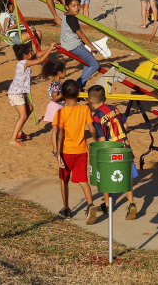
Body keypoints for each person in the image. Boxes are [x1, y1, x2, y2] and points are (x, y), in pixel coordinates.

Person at [88, 85, 138, 220]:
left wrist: (97, 143)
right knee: (127, 177)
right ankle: (131, 203)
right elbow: (125, 125)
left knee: (105, 176)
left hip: (111, 150)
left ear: (90, 101)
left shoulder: (97, 117)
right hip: (125, 147)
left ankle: (107, 205)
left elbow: (102, 139)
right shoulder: (114, 108)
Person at [53, 79, 99, 224]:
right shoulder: (85, 109)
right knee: (83, 180)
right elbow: (91, 129)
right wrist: (95, 141)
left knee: (63, 180)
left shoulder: (61, 113)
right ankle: (90, 204)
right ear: (79, 92)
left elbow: (59, 133)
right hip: (81, 151)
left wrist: (58, 153)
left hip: (66, 152)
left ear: (63, 95)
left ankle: (66, 208)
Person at [8, 41, 57, 146]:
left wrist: (50, 48)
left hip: (21, 92)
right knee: (23, 115)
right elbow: (41, 60)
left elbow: (39, 55)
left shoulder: (26, 60)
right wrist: (50, 49)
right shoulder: (24, 63)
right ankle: (13, 139)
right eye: (30, 52)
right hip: (16, 93)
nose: (33, 53)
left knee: (30, 109)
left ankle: (20, 131)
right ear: (25, 56)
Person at [60, 0, 102, 90]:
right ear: (66, 7)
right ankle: (78, 84)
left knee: (88, 62)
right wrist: (92, 47)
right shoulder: (72, 19)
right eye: (73, 6)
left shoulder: (66, 16)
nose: (77, 8)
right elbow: (81, 34)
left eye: (78, 5)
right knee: (95, 64)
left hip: (68, 43)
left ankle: (81, 85)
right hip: (74, 45)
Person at [42, 59, 67, 154]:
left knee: (58, 129)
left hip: (58, 107)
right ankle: (55, 149)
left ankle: (57, 148)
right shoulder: (56, 84)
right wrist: (64, 93)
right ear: (59, 73)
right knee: (55, 129)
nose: (65, 74)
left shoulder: (57, 83)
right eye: (64, 72)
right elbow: (55, 97)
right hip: (55, 107)